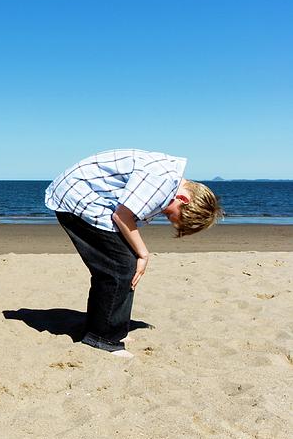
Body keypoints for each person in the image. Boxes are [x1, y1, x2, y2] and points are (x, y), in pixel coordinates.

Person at [44, 149, 222, 357]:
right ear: (183, 198)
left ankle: (112, 329)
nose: (166, 216)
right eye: (172, 216)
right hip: (76, 196)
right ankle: (102, 338)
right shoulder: (160, 183)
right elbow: (122, 216)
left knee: (124, 263)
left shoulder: (168, 180)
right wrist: (144, 254)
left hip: (88, 195)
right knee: (120, 267)